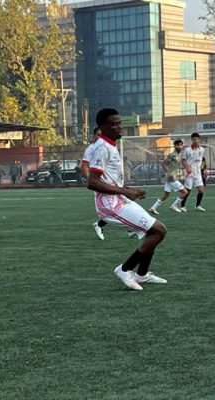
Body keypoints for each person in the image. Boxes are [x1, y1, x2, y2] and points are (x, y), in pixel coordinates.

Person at [86, 107, 168, 290]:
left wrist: (129, 190)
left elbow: (110, 179)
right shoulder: (101, 148)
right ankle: (124, 269)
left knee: (152, 232)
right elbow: (92, 182)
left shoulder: (110, 145)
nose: (120, 128)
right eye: (114, 125)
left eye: (120, 123)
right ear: (102, 127)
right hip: (110, 205)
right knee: (159, 231)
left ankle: (142, 275)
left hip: (119, 199)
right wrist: (124, 192)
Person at [81, 127, 136, 240]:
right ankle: (131, 227)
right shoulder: (91, 149)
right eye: (98, 135)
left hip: (115, 183)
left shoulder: (109, 147)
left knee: (125, 205)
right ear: (94, 136)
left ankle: (129, 229)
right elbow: (84, 166)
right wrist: (91, 179)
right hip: (103, 184)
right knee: (111, 210)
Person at [148, 139, 188, 214]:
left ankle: (152, 208)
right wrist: (168, 172)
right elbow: (163, 163)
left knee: (166, 195)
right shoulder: (172, 154)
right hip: (171, 178)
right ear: (175, 146)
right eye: (178, 145)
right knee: (184, 192)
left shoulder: (180, 154)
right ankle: (174, 205)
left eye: (181, 145)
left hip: (171, 178)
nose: (180, 146)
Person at [180, 132, 207, 212]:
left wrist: (203, 169)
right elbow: (183, 160)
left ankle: (198, 205)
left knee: (201, 190)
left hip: (198, 173)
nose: (195, 140)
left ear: (199, 140)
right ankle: (182, 206)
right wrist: (187, 168)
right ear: (191, 140)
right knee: (187, 190)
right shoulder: (187, 150)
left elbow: (201, 160)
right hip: (189, 173)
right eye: (194, 139)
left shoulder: (202, 149)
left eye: (197, 139)